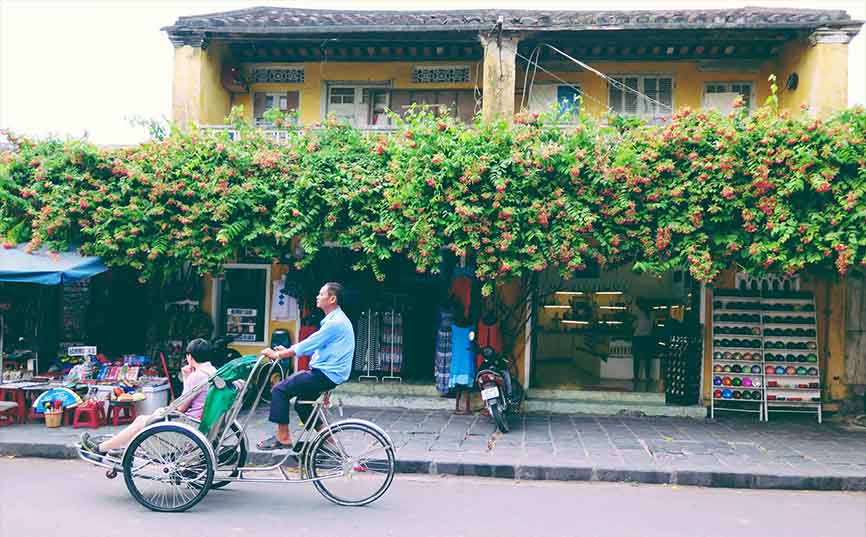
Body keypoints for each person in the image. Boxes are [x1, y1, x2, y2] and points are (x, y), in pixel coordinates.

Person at [257, 282, 354, 451]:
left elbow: (309, 344)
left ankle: (283, 437)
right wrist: (288, 350)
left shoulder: (335, 323)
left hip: (325, 374)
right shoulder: (335, 320)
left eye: (321, 294)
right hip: (328, 374)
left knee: (279, 390)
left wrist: (279, 354)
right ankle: (330, 442)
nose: (317, 297)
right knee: (302, 404)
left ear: (332, 299)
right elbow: (313, 345)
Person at [80, 339, 216, 455]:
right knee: (144, 419)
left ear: (190, 357)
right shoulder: (213, 372)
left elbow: (181, 407)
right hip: (201, 420)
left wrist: (186, 378)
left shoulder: (196, 375)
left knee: (140, 421)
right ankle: (114, 445)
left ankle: (101, 448)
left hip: (189, 422)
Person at [631, 298, 655, 391]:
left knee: (637, 358)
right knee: (647, 358)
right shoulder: (652, 314)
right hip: (648, 338)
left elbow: (634, 325)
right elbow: (653, 325)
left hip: (638, 338)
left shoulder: (638, 313)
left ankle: (636, 377)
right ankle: (648, 377)